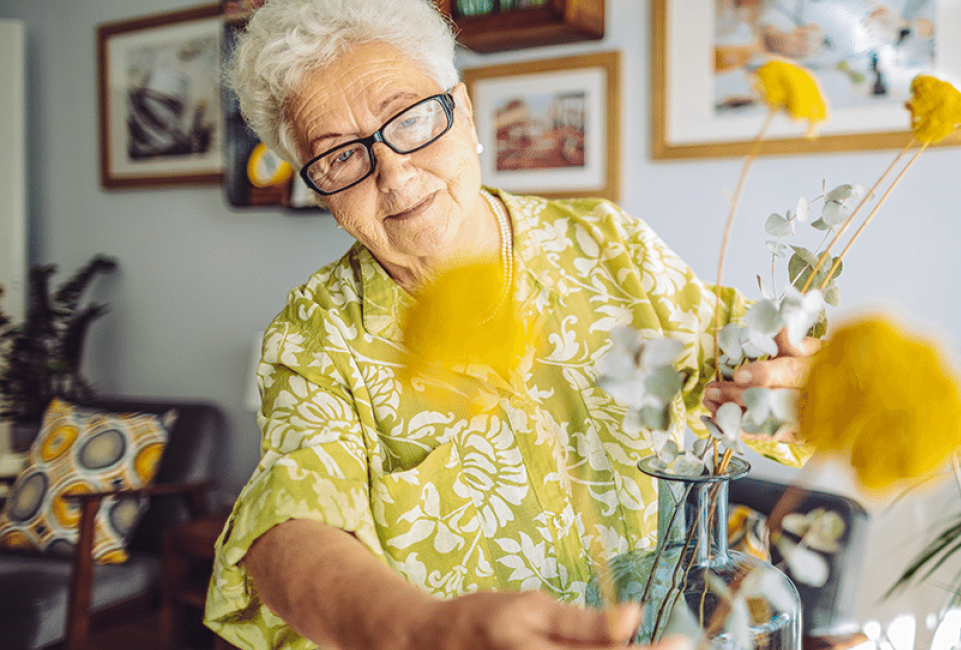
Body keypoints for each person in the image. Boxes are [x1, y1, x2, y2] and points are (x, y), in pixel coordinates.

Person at [204, 0, 815, 648]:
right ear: (320, 189)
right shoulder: (315, 335)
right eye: (339, 158)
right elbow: (289, 527)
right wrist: (418, 630)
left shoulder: (611, 246)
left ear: (463, 112)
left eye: (409, 120)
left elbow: (753, 372)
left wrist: (793, 388)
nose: (393, 171)